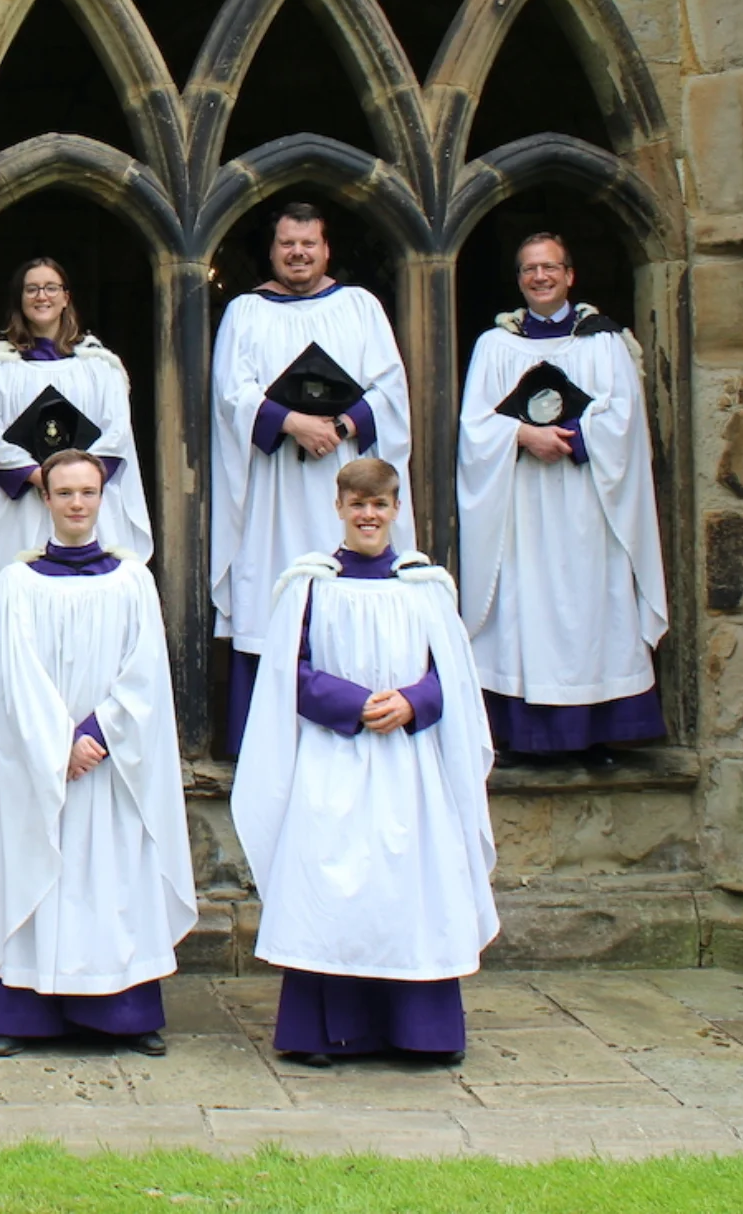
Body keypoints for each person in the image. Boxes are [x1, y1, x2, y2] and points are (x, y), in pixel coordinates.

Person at [232, 458, 498, 1068]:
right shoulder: (308, 585)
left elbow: (452, 675)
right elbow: (285, 674)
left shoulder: (425, 586)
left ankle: (421, 1034)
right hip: (335, 759)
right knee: (333, 888)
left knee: (412, 889)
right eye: (357, 505)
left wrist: (412, 701)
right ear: (340, 508)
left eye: (379, 505)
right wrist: (353, 703)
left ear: (396, 508)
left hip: (410, 764)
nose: (369, 516)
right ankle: (327, 1033)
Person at [0, 449, 195, 1059]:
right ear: (46, 498)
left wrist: (97, 732)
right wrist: (59, 742)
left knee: (114, 877)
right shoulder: (17, 583)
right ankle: (26, 1018)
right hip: (43, 766)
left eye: (87, 493)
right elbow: (15, 674)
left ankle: (124, 1016)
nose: (76, 503)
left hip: (112, 767)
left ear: (102, 498)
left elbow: (146, 671)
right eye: (64, 492)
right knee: (41, 869)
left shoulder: (132, 580)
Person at [209, 201, 411, 759]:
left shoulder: (360, 307)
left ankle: (355, 711)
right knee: (274, 587)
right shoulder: (246, 312)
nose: (298, 254)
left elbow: (390, 388)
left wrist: (342, 426)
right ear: (272, 251)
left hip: (344, 480)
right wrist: (292, 423)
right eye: (287, 245)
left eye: (308, 245)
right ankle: (267, 737)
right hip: (274, 483)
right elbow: (232, 392)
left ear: (326, 250)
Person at [456, 233, 667, 761]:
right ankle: (525, 734)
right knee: (525, 604)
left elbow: (624, 418)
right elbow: (473, 426)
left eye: (550, 267)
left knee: (591, 604)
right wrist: (524, 436)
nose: (540, 277)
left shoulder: (602, 341)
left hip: (587, 505)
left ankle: (598, 733)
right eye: (529, 270)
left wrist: (571, 435)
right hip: (522, 503)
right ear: (519, 279)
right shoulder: (495, 345)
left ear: (570, 275)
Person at [0, 258, 152, 735]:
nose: (41, 297)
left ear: (67, 296)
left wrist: (73, 483)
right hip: (20, 505)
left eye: (51, 288)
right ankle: (8, 728)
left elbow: (116, 434)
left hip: (77, 505)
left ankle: (87, 721)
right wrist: (40, 478)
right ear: (19, 300)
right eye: (31, 290)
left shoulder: (99, 367)